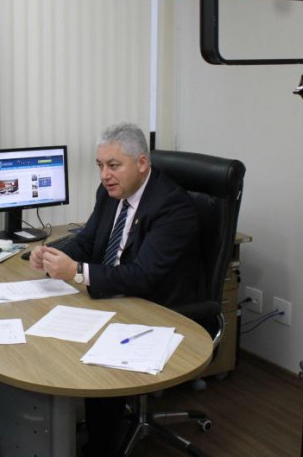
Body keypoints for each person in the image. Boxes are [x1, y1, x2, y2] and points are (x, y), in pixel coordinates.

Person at [28, 122, 202, 457]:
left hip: (159, 305)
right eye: (100, 166)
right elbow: (89, 240)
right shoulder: (110, 194)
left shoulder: (172, 207)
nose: (105, 175)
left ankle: (102, 447)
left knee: (96, 353)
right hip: (119, 296)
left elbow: (143, 275)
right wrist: (53, 255)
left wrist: (77, 272)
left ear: (141, 163)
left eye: (113, 165)